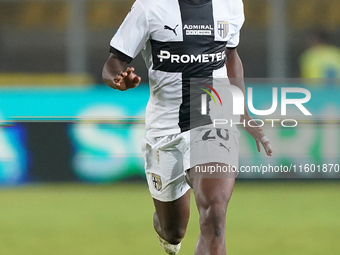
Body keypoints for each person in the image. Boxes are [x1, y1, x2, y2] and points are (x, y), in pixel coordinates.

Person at [102, 0, 273, 254]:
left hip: (212, 113)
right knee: (173, 231)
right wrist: (118, 80)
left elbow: (231, 56)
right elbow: (113, 63)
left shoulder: (231, 5)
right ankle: (167, 234)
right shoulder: (150, 7)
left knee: (215, 214)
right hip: (165, 125)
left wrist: (241, 110)